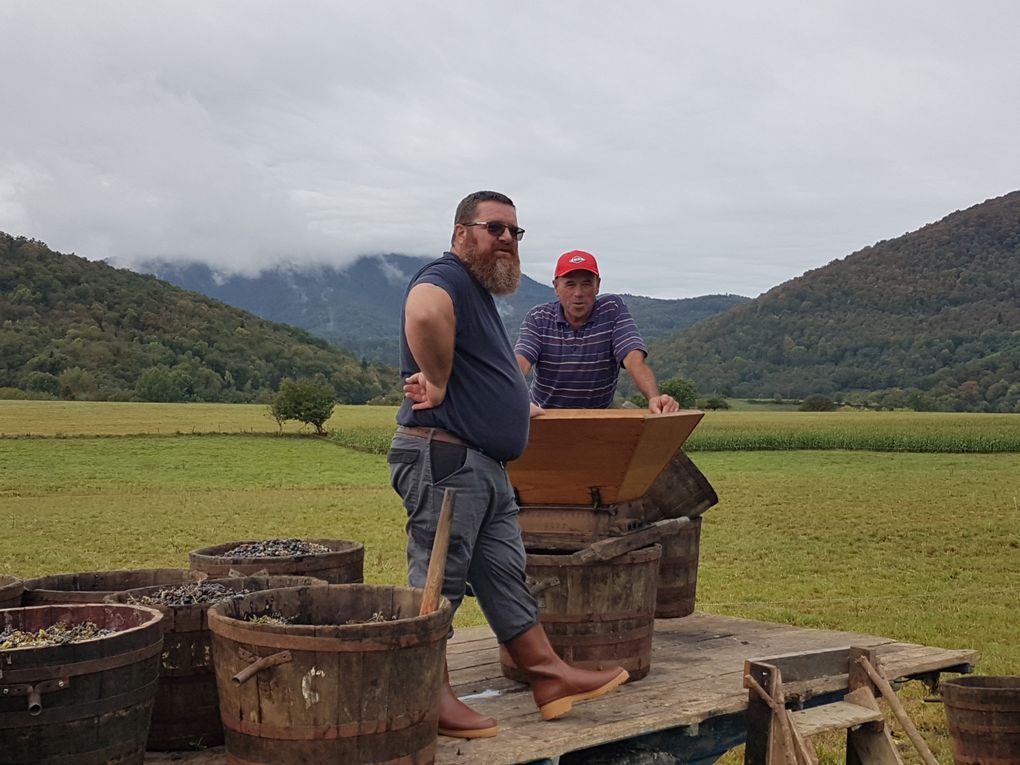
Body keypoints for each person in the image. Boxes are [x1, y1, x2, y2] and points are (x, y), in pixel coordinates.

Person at [388, 191, 628, 739]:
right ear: (459, 234)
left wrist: (513, 404)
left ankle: (549, 675)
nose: (506, 240)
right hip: (446, 456)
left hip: (484, 464)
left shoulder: (476, 293)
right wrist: (440, 379)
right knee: (437, 579)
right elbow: (423, 312)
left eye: (514, 233)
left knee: (504, 574)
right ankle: (426, 694)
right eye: (493, 227)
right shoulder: (444, 275)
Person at [515, 250, 681, 413]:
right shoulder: (539, 318)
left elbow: (633, 358)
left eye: (586, 283)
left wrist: (654, 398)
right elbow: (521, 361)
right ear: (556, 287)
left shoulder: (612, 310)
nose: (578, 293)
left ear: (597, 286)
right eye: (570, 284)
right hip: (545, 415)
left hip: (597, 418)